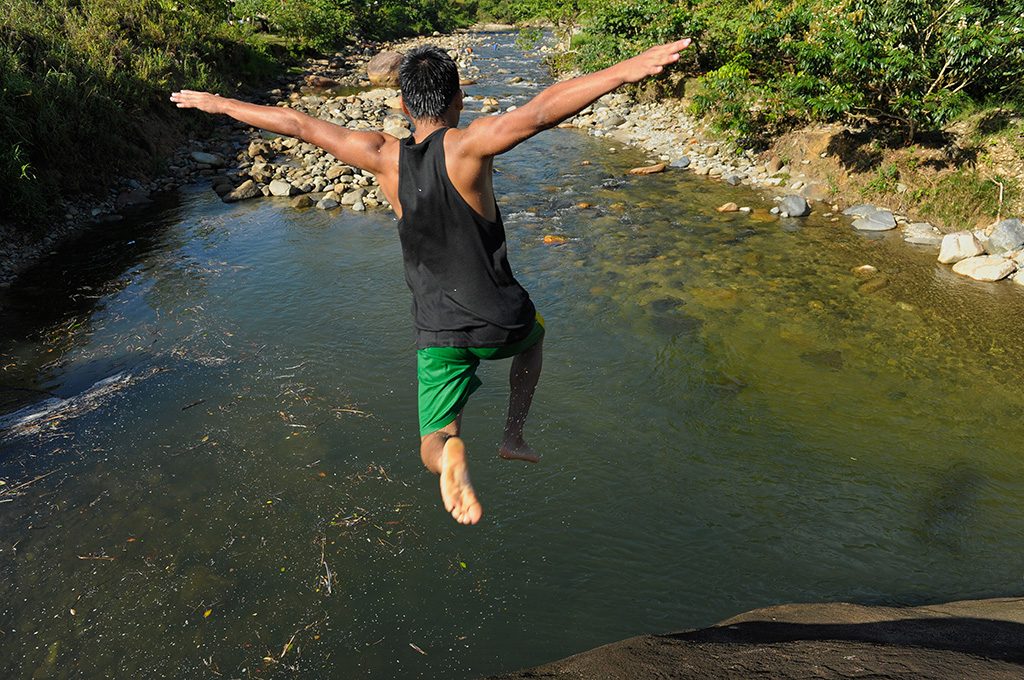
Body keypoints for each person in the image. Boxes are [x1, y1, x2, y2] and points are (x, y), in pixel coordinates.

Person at [170, 37, 692, 525]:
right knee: (535, 340)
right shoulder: (468, 147)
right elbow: (540, 110)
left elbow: (299, 125)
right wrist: (625, 70)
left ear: (402, 107)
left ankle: (451, 456)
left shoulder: (379, 156)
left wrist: (221, 103)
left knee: (432, 439)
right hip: (504, 321)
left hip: (438, 331)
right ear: (459, 100)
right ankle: (513, 435)